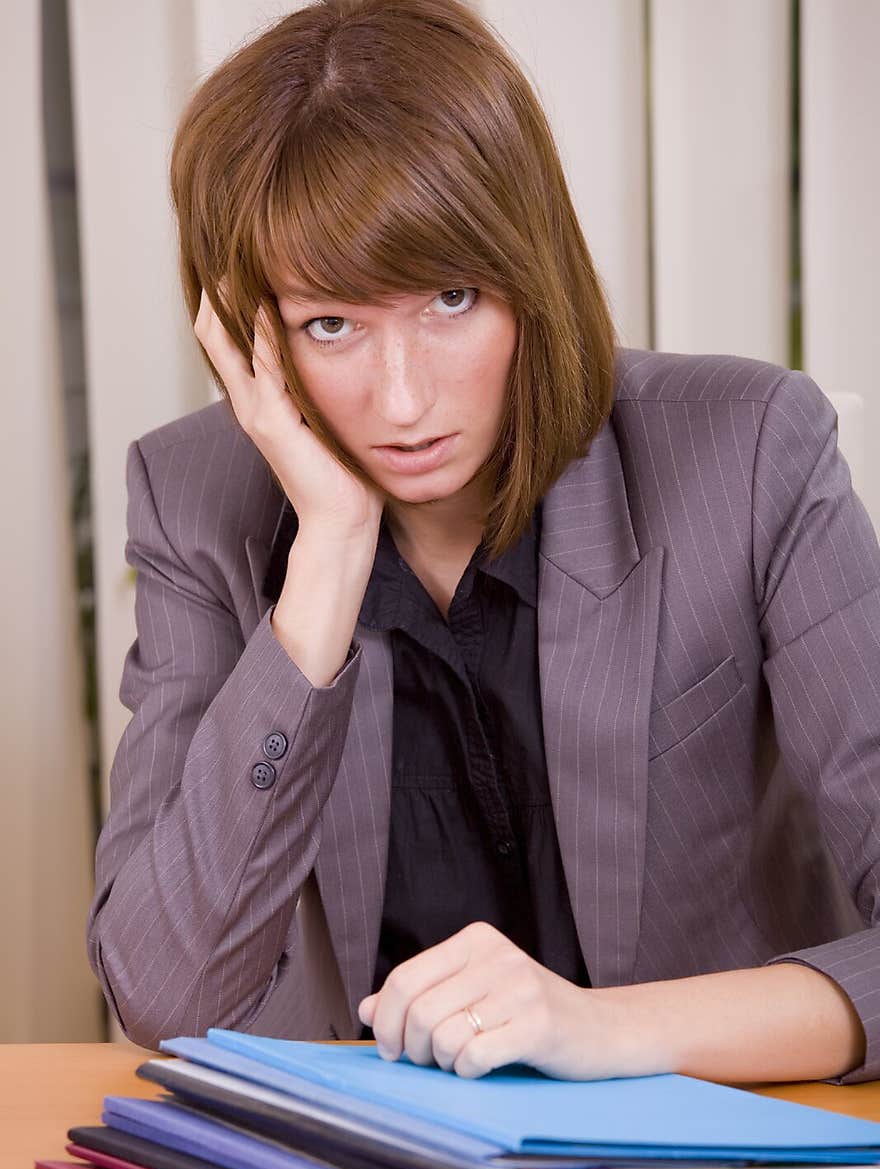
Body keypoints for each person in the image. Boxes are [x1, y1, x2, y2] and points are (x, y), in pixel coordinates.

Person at [86, 0, 879, 1086]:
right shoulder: (195, 499)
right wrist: (325, 553)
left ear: (529, 270)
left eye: (451, 298)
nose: (403, 400)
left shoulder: (746, 454)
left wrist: (602, 1029)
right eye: (332, 324)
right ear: (248, 334)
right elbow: (161, 991)